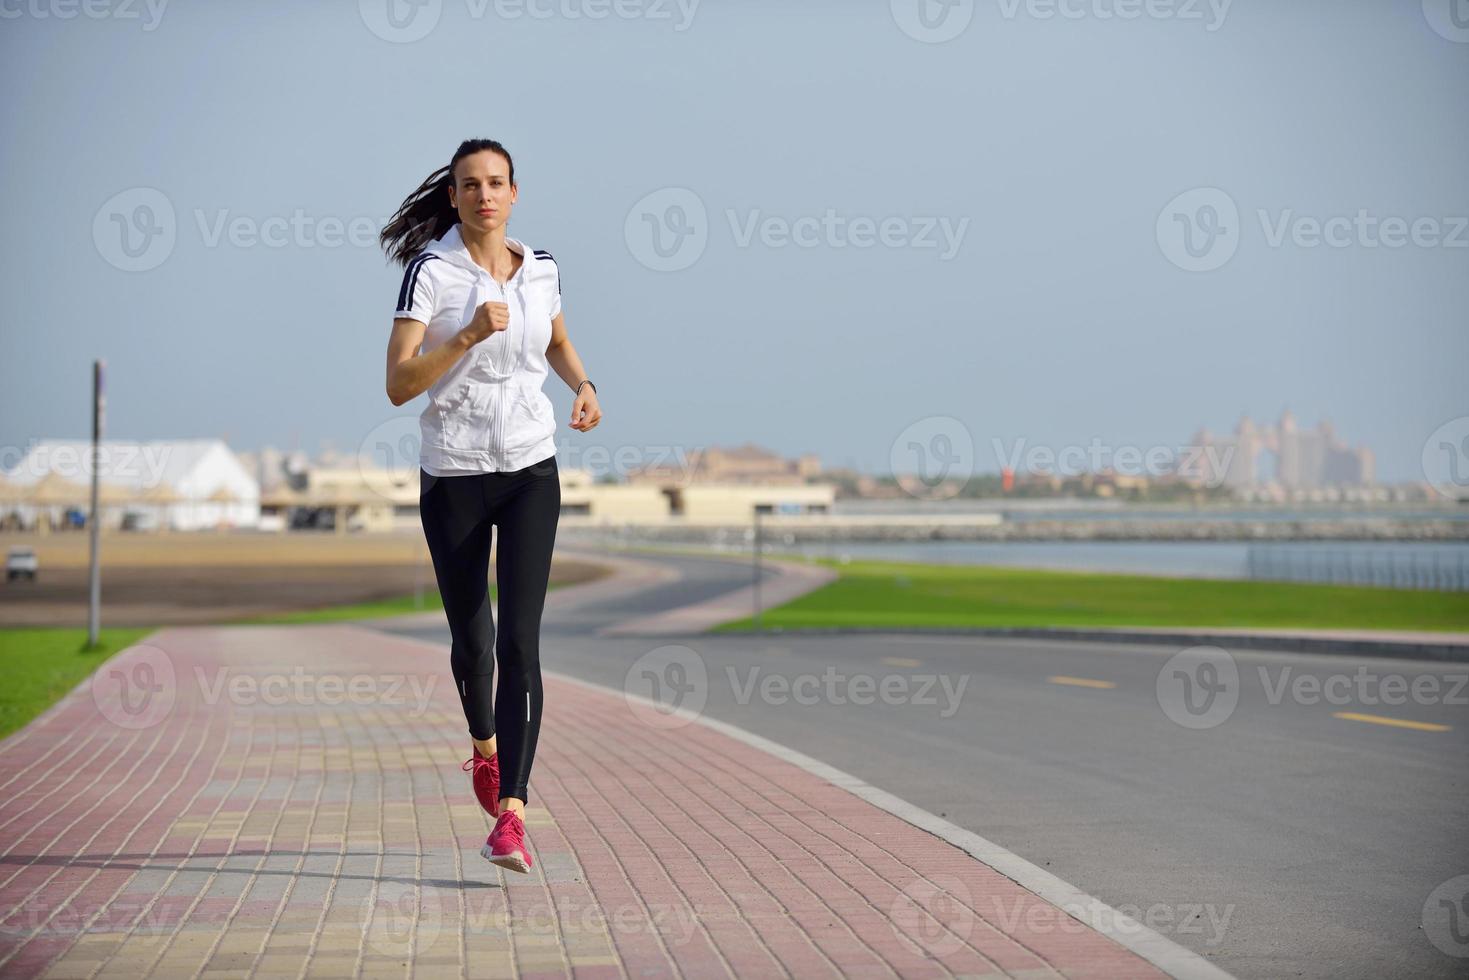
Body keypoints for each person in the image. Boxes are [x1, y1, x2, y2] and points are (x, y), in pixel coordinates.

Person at [379, 139, 601, 873]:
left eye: (496, 183)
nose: (484, 195)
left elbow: (558, 339)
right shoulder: (431, 273)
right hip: (454, 473)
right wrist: (470, 335)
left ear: (514, 193)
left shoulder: (542, 269)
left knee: (520, 643)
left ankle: (512, 814)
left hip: (531, 469)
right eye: (469, 185)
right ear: (453, 196)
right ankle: (483, 748)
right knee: (474, 639)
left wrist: (582, 385)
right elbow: (399, 384)